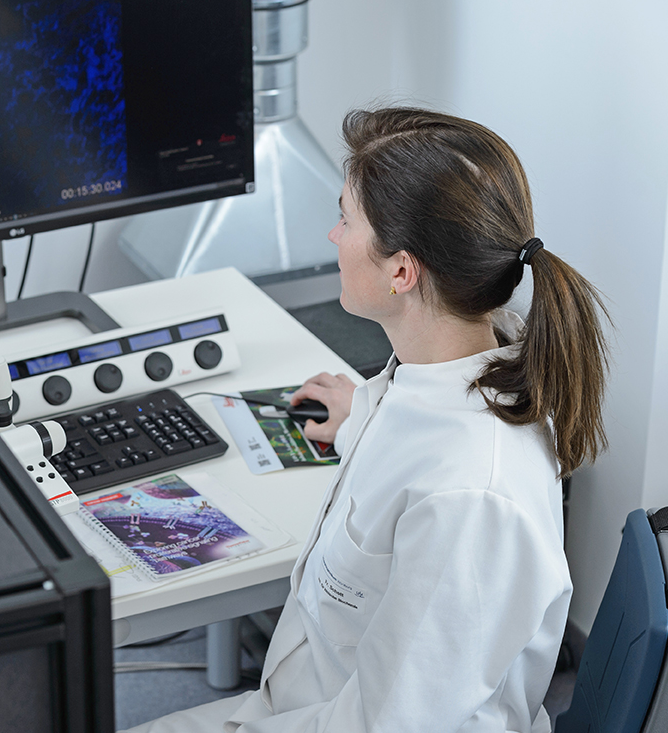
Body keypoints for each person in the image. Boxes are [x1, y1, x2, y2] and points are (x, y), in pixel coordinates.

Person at [123, 107, 610, 733]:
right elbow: (422, 440)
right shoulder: (448, 367)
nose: (333, 236)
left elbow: (394, 724)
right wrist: (362, 412)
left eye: (346, 219)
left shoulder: (470, 499)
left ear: (402, 271)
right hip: (310, 701)